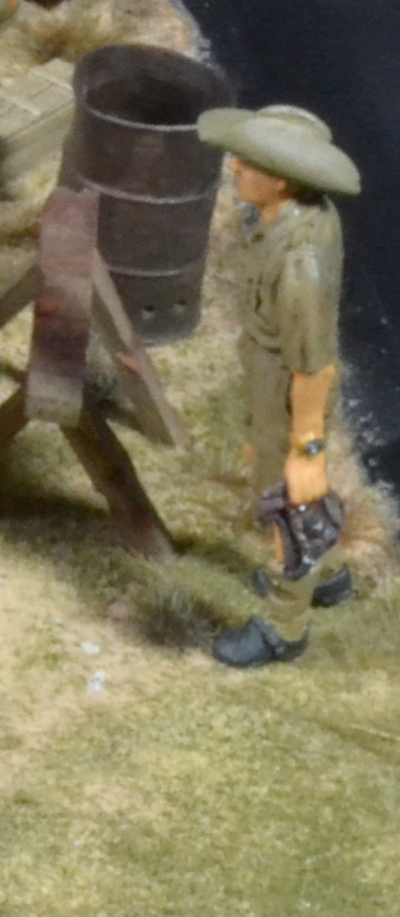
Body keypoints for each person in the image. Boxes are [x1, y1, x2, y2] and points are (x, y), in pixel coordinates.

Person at [198, 103, 362, 667]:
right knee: (284, 494)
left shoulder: (299, 263)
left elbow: (313, 368)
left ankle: (284, 627)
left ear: (282, 182)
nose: (235, 167)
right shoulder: (289, 220)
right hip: (271, 380)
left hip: (290, 395)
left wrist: (306, 449)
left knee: (291, 511)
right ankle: (331, 578)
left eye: (249, 163)